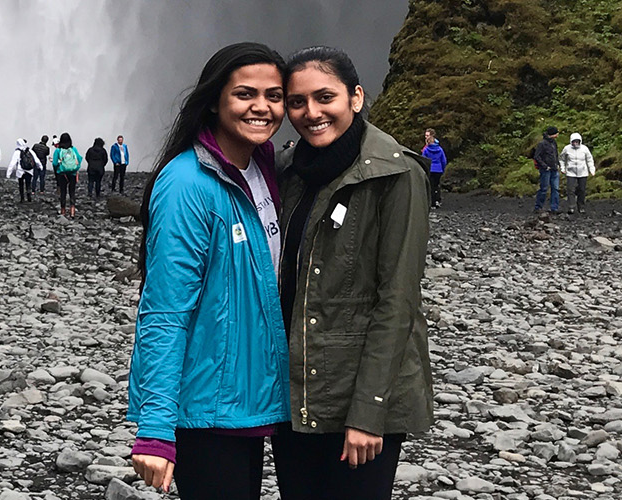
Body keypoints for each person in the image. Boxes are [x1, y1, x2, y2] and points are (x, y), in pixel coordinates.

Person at [126, 42, 290, 500]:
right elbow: (165, 310)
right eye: (244, 94)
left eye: (274, 95)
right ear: (214, 100)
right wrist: (156, 429)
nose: (262, 106)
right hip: (208, 404)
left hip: (245, 397)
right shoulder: (186, 183)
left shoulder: (260, 168)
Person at [275, 46, 433, 500]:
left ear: (356, 98)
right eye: (297, 102)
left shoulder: (397, 173)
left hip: (359, 397)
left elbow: (398, 300)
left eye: (326, 97)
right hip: (299, 385)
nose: (311, 112)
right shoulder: (287, 170)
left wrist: (368, 412)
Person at [560, 132, 595, 214]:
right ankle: (571, 206)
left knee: (582, 190)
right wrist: (563, 168)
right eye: (574, 141)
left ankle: (581, 207)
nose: (575, 143)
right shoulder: (566, 149)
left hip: (582, 172)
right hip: (570, 172)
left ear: (580, 141)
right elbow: (562, 159)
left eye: (577, 141)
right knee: (570, 190)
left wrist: (591, 169)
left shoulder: (584, 149)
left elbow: (589, 159)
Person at [53, 133, 84, 216]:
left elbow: (55, 163)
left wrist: (58, 169)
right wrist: (76, 168)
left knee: (63, 192)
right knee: (72, 192)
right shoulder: (74, 149)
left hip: (62, 174)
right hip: (72, 173)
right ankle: (72, 211)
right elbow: (79, 159)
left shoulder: (58, 150)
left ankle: (63, 211)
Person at [533, 126, 561, 213]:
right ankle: (538, 207)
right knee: (544, 188)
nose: (557, 134)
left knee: (555, 188)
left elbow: (555, 154)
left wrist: (558, 164)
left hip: (554, 168)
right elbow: (537, 156)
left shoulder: (554, 143)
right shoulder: (542, 144)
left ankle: (554, 208)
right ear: (552, 134)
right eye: (556, 133)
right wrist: (545, 166)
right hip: (545, 170)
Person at [421, 128, 447, 209]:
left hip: (430, 170)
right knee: (437, 185)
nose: (426, 137)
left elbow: (423, 159)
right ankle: (437, 200)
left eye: (427, 135)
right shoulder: (440, 149)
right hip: (438, 169)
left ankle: (432, 203)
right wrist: (442, 169)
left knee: (431, 186)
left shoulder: (426, 149)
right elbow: (444, 160)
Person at [5, 138, 36, 202]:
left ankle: (22, 198)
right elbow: (36, 159)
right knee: (28, 184)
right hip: (29, 171)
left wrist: (8, 173)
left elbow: (12, 163)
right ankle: (29, 196)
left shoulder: (17, 152)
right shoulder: (29, 151)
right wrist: (40, 166)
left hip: (20, 171)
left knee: (21, 184)